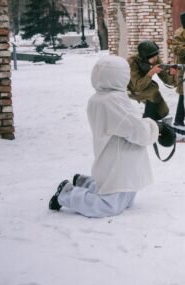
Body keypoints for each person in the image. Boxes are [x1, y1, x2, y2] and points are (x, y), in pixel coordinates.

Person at [48, 55, 165, 218]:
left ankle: (85, 183)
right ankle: (67, 194)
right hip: (120, 161)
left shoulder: (100, 98)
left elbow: (130, 124)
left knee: (123, 196)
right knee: (109, 206)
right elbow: (138, 132)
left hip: (117, 157)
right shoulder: (113, 101)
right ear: (119, 76)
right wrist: (155, 128)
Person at [127, 40, 178, 121]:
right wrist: (151, 72)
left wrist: (172, 74)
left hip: (145, 86)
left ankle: (148, 120)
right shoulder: (132, 62)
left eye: (156, 56)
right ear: (145, 57)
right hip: (132, 89)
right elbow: (138, 86)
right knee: (153, 91)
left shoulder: (155, 58)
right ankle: (147, 124)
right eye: (153, 58)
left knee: (163, 112)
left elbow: (168, 81)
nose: (155, 59)